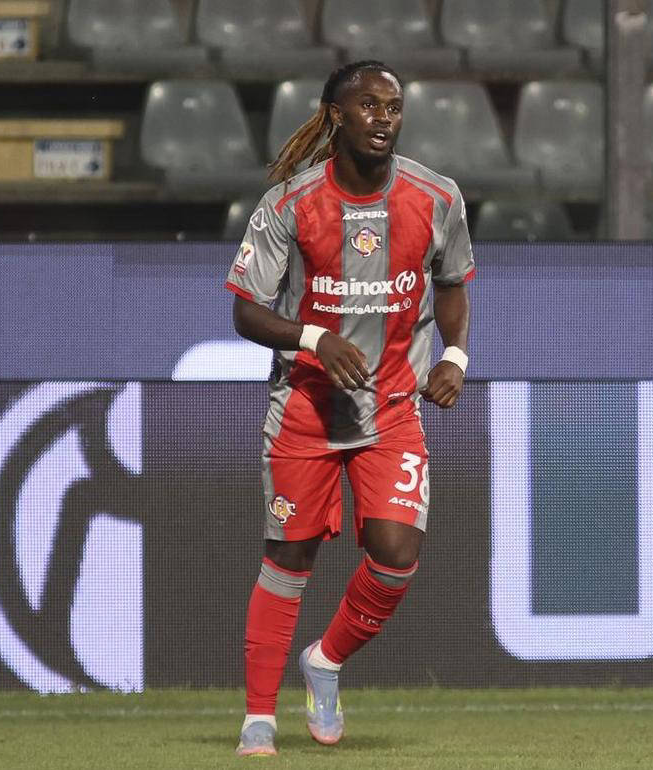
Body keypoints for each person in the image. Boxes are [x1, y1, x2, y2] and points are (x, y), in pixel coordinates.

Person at [225, 60, 474, 758]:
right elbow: (246, 311)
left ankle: (326, 661)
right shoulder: (290, 203)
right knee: (289, 554)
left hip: (392, 406)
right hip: (306, 407)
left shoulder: (437, 196)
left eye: (393, 107)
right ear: (336, 115)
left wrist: (455, 356)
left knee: (396, 557)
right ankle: (258, 718)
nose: (383, 119)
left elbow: (452, 284)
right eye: (368, 105)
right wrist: (313, 338)